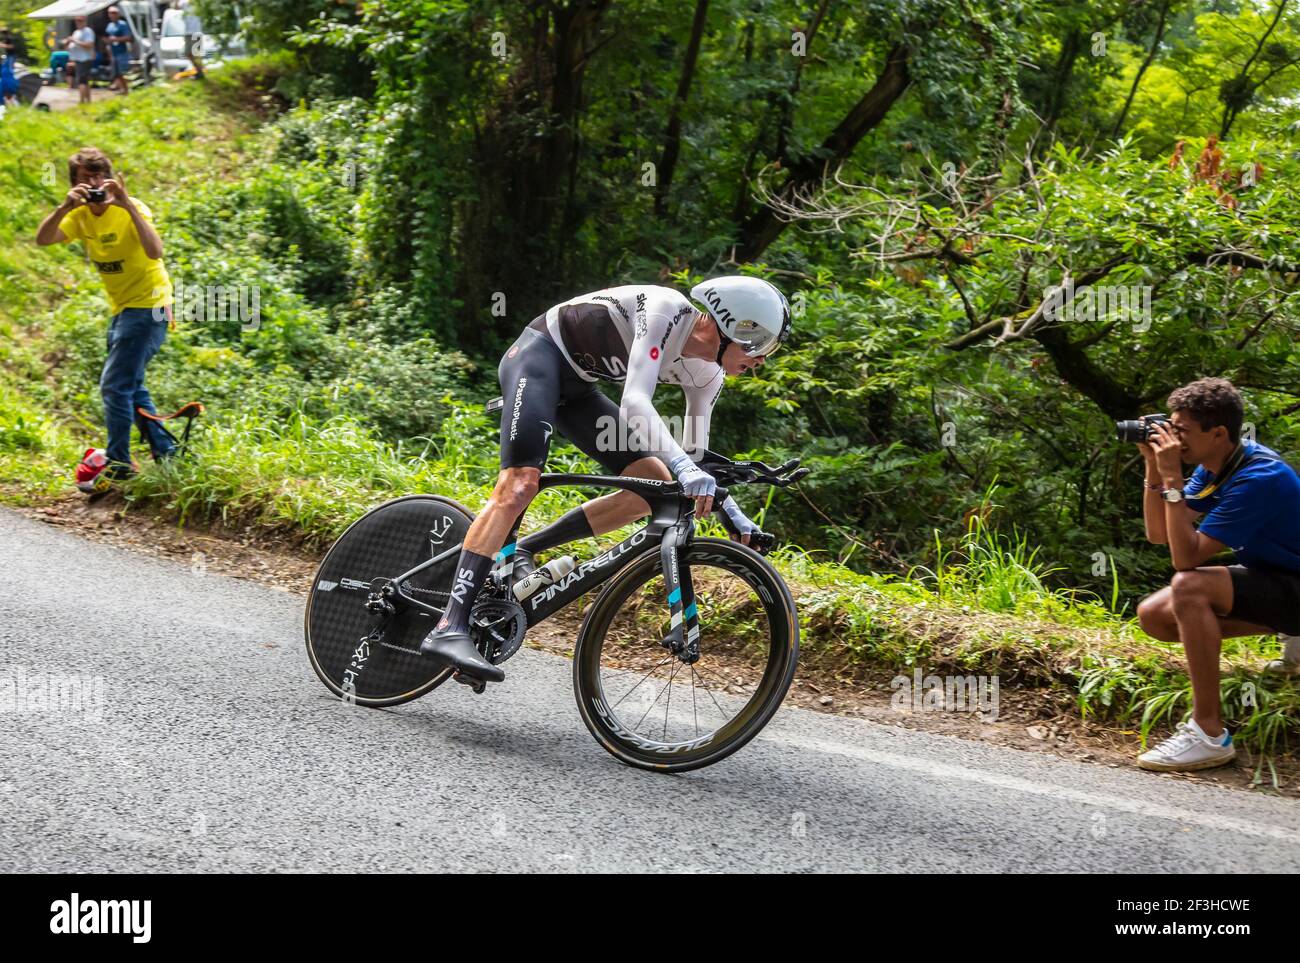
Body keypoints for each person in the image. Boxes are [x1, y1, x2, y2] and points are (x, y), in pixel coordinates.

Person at [418, 277, 792, 685]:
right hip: (539, 358)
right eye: (761, 346)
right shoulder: (667, 309)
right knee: (521, 483)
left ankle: (522, 550)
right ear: (730, 325)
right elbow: (635, 401)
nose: (761, 361)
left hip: (578, 391)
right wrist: (688, 471)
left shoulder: (708, 375)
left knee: (652, 487)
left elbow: (694, 459)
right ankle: (448, 627)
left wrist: (733, 513)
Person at [1134, 377, 1300, 772]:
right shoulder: (1216, 467)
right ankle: (1292, 631)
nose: (1174, 439)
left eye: (1183, 432)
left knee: (1188, 588)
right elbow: (1159, 533)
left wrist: (1172, 478)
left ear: (1219, 432)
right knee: (1155, 615)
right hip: (1281, 576)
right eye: (1171, 429)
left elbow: (1185, 559)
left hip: (1292, 582)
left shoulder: (1260, 477)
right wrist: (1153, 468)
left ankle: (1208, 733)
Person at [34, 147, 178, 481]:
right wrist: (65, 206)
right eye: (87, 178)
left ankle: (119, 464)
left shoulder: (132, 208)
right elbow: (44, 239)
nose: (96, 184)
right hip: (124, 308)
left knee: (114, 386)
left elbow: (156, 251)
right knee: (131, 386)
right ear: (75, 183)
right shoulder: (80, 215)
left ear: (109, 178)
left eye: (100, 176)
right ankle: (168, 454)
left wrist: (126, 203)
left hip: (150, 305)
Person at [63, 16, 96, 105]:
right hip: (77, 60)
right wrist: (67, 42)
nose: (78, 22)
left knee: (81, 81)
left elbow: (89, 45)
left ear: (85, 21)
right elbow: (68, 48)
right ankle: (88, 101)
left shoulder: (88, 31)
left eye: (80, 21)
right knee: (84, 81)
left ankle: (82, 101)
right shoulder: (76, 32)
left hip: (85, 59)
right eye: (77, 21)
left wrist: (75, 40)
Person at [103, 6, 132, 95]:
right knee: (117, 73)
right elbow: (108, 38)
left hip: (122, 52)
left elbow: (128, 37)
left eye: (114, 13)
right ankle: (122, 90)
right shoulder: (109, 25)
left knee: (123, 72)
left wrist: (116, 39)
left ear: (118, 14)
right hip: (113, 52)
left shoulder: (122, 24)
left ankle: (127, 90)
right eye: (110, 13)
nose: (112, 15)